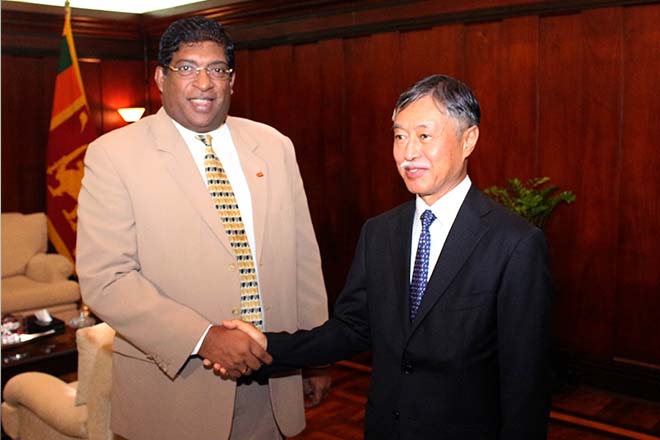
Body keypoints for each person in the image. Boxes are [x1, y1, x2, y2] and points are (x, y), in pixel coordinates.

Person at [223, 74, 553, 439]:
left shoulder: (514, 243)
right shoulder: (379, 233)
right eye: (399, 136)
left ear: (469, 139)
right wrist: (267, 346)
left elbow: (526, 382)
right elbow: (351, 329)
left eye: (424, 136)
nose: (408, 153)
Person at [76, 16, 329, 440]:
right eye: (187, 68)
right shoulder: (114, 155)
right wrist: (203, 338)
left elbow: (303, 259)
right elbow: (107, 279)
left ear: (232, 80)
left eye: (216, 69)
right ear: (161, 77)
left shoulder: (274, 146)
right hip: (177, 388)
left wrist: (315, 356)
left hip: (273, 379)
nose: (204, 83)